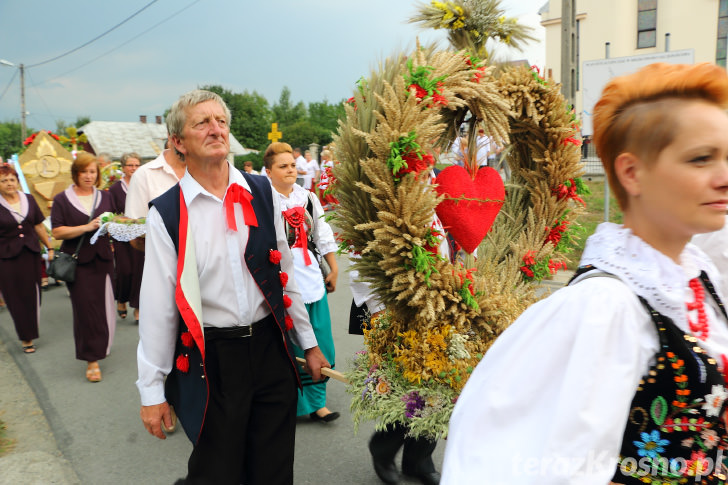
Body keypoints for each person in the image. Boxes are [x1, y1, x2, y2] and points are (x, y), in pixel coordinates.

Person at [441, 62, 728, 484]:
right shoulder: (603, 309)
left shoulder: (698, 278)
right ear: (632, 173)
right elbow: (533, 468)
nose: (723, 177)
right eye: (701, 159)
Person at [136, 89, 330, 484]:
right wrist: (152, 391)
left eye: (221, 121)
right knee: (218, 472)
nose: (215, 129)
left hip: (269, 351)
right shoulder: (167, 213)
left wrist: (308, 345)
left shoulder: (262, 193)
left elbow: (284, 279)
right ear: (178, 142)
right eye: (201, 122)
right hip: (213, 360)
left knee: (274, 470)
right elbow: (158, 308)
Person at [264, 141, 340, 423]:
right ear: (269, 171)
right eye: (282, 167)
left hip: (311, 279)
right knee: (292, 347)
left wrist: (333, 268)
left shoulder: (307, 198)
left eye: (293, 165)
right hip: (280, 281)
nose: (290, 171)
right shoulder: (263, 200)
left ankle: (318, 402)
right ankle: (292, 403)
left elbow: (322, 233)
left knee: (321, 342)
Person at [51, 152, 115, 382]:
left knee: (105, 307)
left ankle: (101, 343)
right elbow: (57, 231)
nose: (88, 176)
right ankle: (91, 359)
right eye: (84, 172)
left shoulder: (105, 197)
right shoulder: (61, 199)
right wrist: (86, 227)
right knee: (85, 311)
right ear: (75, 174)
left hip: (104, 259)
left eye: (92, 172)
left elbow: (112, 222)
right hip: (78, 263)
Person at [0, 164, 53, 353]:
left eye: (12, 180)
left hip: (31, 254)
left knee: (33, 294)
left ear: (17, 181)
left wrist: (50, 246)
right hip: (7, 258)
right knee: (14, 297)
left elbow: (39, 226)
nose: (8, 184)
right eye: (4, 180)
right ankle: (26, 337)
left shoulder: (28, 199)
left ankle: (30, 328)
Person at [108, 152, 141, 320]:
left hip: (140, 234)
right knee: (125, 271)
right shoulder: (114, 189)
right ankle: (121, 299)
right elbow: (111, 213)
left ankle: (137, 308)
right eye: (130, 165)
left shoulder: (143, 185)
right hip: (121, 236)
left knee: (139, 271)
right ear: (123, 168)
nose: (133, 168)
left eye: (136, 165)